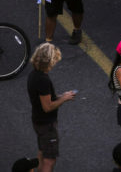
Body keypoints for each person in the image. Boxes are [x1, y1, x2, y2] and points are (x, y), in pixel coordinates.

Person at [27, 43, 75, 172]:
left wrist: (61, 96)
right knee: (50, 160)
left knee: (42, 151)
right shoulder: (43, 80)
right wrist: (64, 99)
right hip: (47, 125)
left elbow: (43, 98)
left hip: (37, 120)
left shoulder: (33, 75)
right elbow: (47, 107)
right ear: (49, 62)